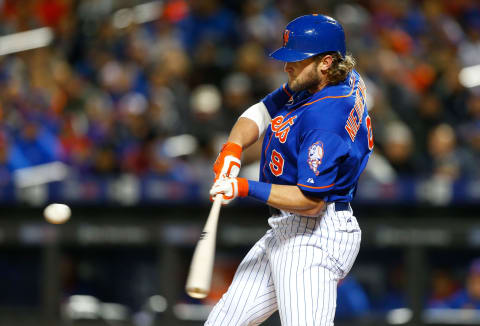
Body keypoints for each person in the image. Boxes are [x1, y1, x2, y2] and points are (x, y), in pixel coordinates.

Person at [206, 14, 373, 326]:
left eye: (297, 60)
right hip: (287, 228)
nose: (287, 66)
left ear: (325, 62)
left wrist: (242, 187)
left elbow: (311, 202)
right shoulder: (332, 78)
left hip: (315, 235)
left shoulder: (327, 118)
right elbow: (263, 110)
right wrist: (233, 148)